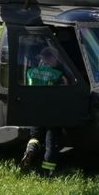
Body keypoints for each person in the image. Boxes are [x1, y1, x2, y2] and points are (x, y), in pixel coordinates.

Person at [20, 47, 66, 176]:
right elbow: (67, 86)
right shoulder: (58, 73)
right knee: (51, 142)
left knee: (35, 137)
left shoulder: (31, 72)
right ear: (52, 58)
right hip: (52, 111)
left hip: (35, 109)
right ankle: (47, 171)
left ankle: (30, 150)